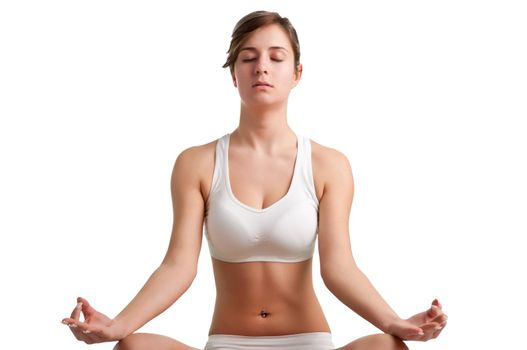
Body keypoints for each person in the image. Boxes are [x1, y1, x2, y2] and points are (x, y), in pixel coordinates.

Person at [61, 10, 448, 350]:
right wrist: (118, 326)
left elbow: (339, 269)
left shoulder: (329, 165)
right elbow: (178, 266)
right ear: (234, 74)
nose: (261, 67)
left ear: (297, 73)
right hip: (229, 342)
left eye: (276, 57)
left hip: (307, 342)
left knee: (387, 346)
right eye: (248, 58)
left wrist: (393, 322)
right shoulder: (196, 163)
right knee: (133, 347)